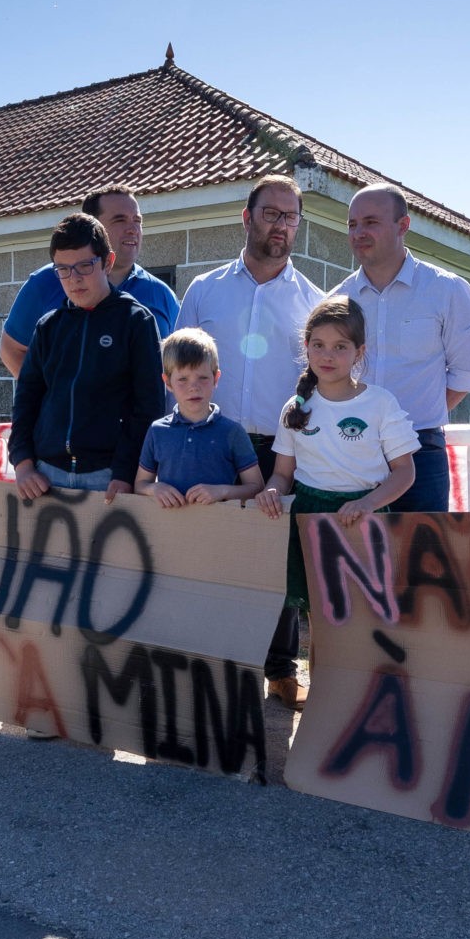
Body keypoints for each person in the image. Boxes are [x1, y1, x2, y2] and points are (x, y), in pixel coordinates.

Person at [180, 175, 326, 699]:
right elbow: (178, 365)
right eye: (271, 214)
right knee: (212, 556)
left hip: (279, 448)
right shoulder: (204, 290)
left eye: (291, 217)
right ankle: (213, 666)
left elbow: (321, 381)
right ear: (246, 217)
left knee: (277, 562)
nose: (281, 226)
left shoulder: (313, 300)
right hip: (212, 441)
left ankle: (281, 668)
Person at [256, 297, 418, 615]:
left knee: (366, 613)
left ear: (360, 352)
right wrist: (273, 489)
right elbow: (282, 473)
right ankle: (322, 668)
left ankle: (361, 668)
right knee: (321, 614)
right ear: (306, 347)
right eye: (318, 344)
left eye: (340, 346)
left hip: (365, 518)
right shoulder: (295, 407)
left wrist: (367, 504)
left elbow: (404, 472)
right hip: (310, 518)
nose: (327, 355)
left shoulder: (381, 403)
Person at [327, 184, 470, 511]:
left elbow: (465, 376)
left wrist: (409, 424)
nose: (359, 232)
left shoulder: (448, 291)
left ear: (403, 225)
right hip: (352, 449)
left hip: (420, 453)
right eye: (352, 224)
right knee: (358, 558)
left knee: (422, 558)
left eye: (371, 222)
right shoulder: (337, 301)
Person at [7, 213, 166, 501]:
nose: (74, 279)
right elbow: (26, 400)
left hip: (109, 479)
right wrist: (23, 463)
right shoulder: (48, 327)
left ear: (107, 262)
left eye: (84, 265)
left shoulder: (137, 322)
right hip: (44, 477)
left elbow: (149, 407)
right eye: (63, 269)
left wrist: (125, 472)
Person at [0, 188, 180, 377]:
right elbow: (11, 349)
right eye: (120, 220)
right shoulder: (46, 282)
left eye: (137, 220)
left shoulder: (162, 295)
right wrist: (48, 399)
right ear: (93, 226)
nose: (132, 229)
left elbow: (181, 365)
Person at [134, 329, 266, 507]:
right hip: (169, 530)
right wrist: (155, 489)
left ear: (216, 378)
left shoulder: (233, 432)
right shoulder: (157, 431)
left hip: (219, 530)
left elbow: (257, 487)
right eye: (183, 379)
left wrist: (222, 491)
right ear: (167, 383)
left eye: (202, 377)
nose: (193, 387)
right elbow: (140, 485)